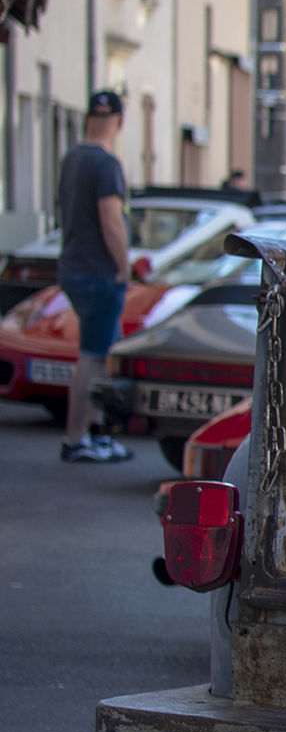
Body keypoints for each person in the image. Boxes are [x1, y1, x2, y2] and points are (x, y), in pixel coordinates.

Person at [55, 91, 135, 463]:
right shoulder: (106, 164)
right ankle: (77, 438)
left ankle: (95, 434)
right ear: (119, 121)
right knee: (92, 357)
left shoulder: (72, 158)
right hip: (99, 272)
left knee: (100, 355)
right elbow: (111, 220)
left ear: (88, 118)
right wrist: (123, 265)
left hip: (73, 265)